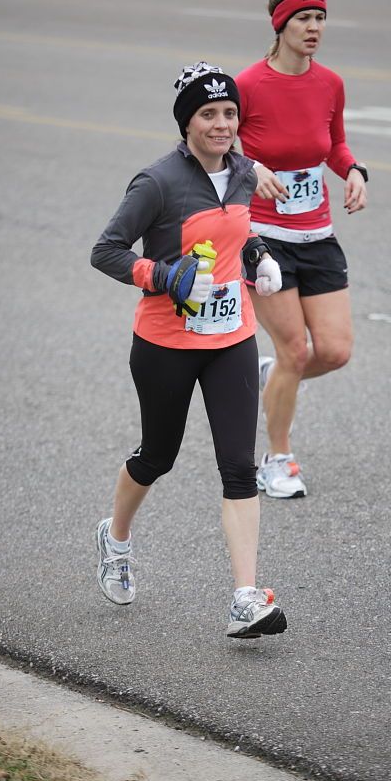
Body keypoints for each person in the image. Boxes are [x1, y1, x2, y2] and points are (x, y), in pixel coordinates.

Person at [90, 61, 287, 639]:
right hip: (165, 343)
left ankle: (245, 598)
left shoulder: (246, 172)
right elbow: (106, 251)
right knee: (158, 455)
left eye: (230, 113)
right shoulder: (156, 183)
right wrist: (166, 277)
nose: (222, 124)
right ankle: (116, 537)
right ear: (187, 123)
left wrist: (258, 257)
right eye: (209, 115)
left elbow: (238, 230)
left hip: (232, 339)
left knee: (238, 467)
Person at [235, 0, 368, 499]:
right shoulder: (249, 85)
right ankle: (277, 460)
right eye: (303, 19)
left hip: (318, 237)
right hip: (264, 240)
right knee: (294, 350)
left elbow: (333, 144)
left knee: (333, 351)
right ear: (280, 23)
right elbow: (218, 146)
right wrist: (251, 168)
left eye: (320, 19)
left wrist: (354, 170)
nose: (314, 28)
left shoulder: (330, 83)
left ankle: (277, 378)